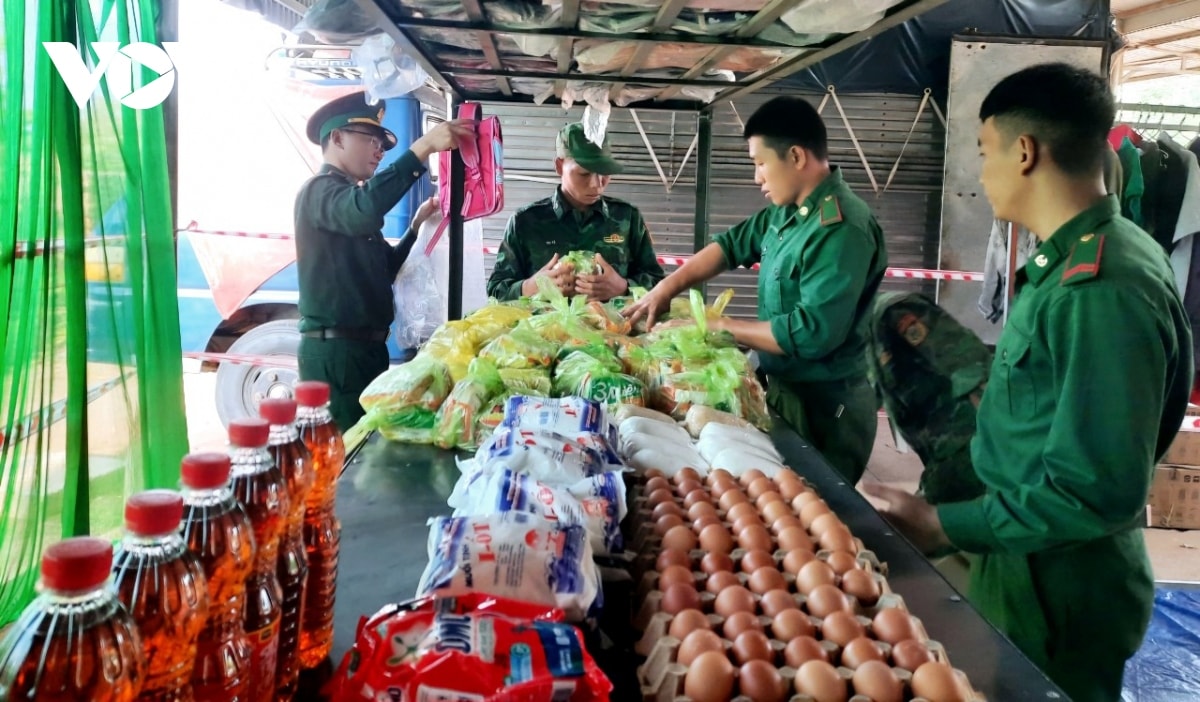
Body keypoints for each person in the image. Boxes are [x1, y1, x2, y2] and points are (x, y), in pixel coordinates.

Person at [863, 63, 1193, 702]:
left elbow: (1095, 491)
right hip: (1023, 559)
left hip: (1057, 590)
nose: (982, 174)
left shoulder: (1100, 287)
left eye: (985, 153)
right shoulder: (1075, 259)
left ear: (1024, 151)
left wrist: (943, 524)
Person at [624, 96, 888, 484]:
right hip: (783, 388)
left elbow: (812, 332)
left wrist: (718, 327)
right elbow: (729, 246)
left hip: (826, 407)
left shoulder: (840, 227)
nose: (756, 177)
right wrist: (665, 288)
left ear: (796, 156)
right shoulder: (787, 212)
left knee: (814, 517)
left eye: (760, 163)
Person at [294, 91, 473, 430]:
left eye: (382, 143)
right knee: (345, 456)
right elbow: (364, 211)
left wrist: (415, 228)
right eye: (371, 139)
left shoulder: (348, 199)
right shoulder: (319, 192)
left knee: (363, 449)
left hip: (364, 351)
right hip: (337, 354)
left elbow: (385, 269)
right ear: (336, 138)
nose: (379, 150)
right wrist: (423, 148)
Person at [486, 123, 665, 302]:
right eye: (584, 174)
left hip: (611, 328)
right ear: (559, 166)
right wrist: (532, 287)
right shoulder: (524, 222)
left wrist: (624, 287)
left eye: (604, 173)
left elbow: (659, 283)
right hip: (546, 329)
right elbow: (495, 290)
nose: (597, 184)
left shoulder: (627, 218)